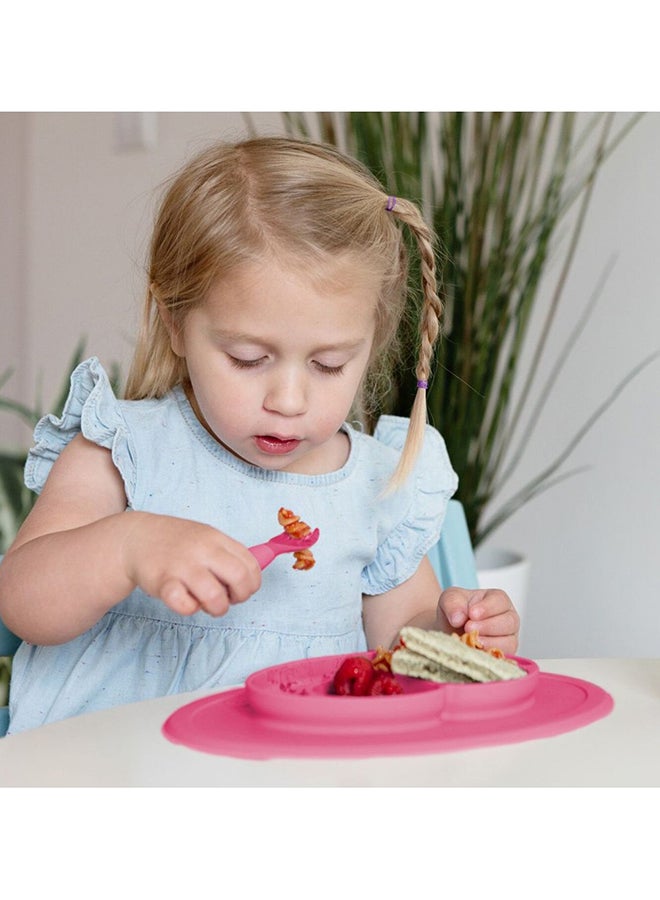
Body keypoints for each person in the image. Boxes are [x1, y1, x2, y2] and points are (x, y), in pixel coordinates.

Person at [0, 136, 519, 733]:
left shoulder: (376, 484)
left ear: (370, 347)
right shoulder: (125, 452)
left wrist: (451, 634)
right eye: (248, 358)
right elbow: (22, 602)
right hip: (119, 774)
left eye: (328, 365)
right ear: (174, 323)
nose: (289, 401)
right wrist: (125, 547)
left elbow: (401, 648)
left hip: (302, 776)